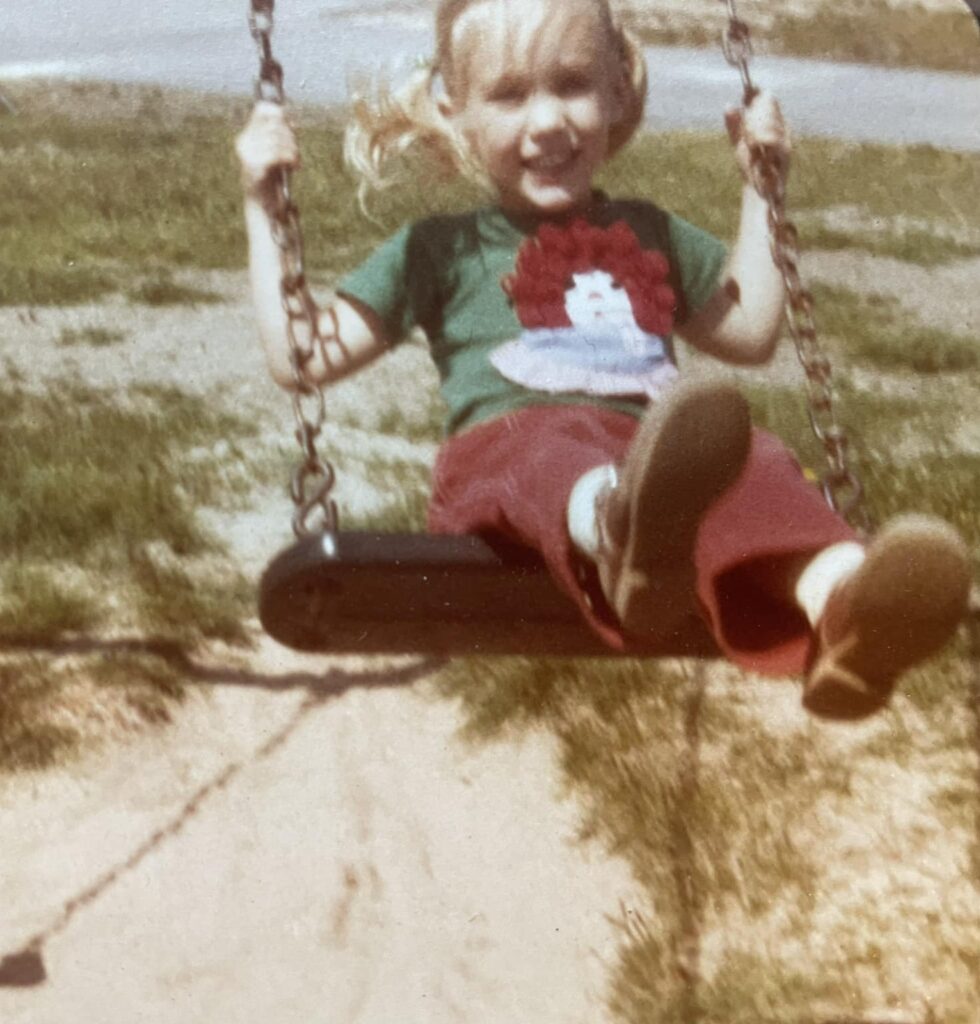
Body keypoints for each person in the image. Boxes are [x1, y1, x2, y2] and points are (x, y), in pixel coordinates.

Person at [236, 0, 970, 719]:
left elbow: (749, 332)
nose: (549, 120)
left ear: (618, 88)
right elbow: (303, 358)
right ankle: (621, 533)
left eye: (573, 85)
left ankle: (848, 609)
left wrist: (761, 190)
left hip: (653, 459)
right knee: (553, 450)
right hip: (507, 462)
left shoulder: (650, 231)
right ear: (453, 109)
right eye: (510, 95)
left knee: (757, 463)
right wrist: (262, 206)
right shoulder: (439, 249)